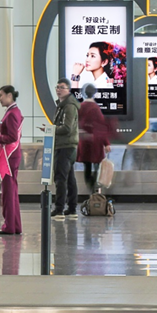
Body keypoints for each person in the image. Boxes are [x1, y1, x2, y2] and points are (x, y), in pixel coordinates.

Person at [0, 85, 23, 235]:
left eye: (1, 95)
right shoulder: (14, 112)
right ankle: (15, 225)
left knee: (8, 192)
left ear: (9, 95)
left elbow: (12, 137)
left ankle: (9, 226)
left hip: (9, 157)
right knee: (11, 192)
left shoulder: (11, 114)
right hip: (13, 155)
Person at [76, 84, 112, 194]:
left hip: (84, 141)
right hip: (96, 142)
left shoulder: (80, 107)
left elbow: (76, 123)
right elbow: (101, 127)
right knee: (97, 166)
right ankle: (95, 189)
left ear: (83, 92)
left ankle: (90, 187)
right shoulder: (96, 108)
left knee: (87, 166)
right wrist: (106, 143)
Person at [52, 77, 80, 220]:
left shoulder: (69, 106)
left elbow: (67, 128)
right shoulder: (63, 104)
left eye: (61, 87)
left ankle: (59, 210)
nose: (58, 89)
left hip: (65, 145)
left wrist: (51, 130)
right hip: (66, 145)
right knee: (69, 178)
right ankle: (72, 208)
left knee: (61, 178)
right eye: (57, 87)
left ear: (68, 89)